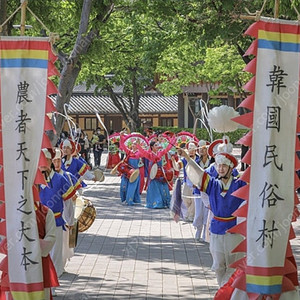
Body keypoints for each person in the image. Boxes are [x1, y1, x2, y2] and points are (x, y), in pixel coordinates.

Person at [178, 143, 246, 287]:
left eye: (224, 166)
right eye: (218, 166)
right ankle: (222, 290)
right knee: (219, 265)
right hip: (216, 229)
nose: (220, 169)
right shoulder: (213, 184)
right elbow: (200, 174)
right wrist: (188, 159)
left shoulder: (239, 185)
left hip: (234, 229)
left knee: (233, 265)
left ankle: (228, 292)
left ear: (230, 168)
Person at [39, 148, 76, 279]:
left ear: (50, 162)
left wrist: (71, 221)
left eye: (46, 160)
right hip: (37, 223)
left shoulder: (60, 180)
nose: (43, 163)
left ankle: (53, 282)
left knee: (55, 252)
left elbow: (68, 203)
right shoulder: (33, 180)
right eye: (41, 160)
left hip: (56, 220)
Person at [137, 138, 175, 209]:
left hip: (161, 175)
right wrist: (138, 145)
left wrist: (173, 141)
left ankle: (165, 203)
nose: (157, 146)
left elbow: (167, 149)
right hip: (153, 176)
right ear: (152, 147)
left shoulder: (160, 153)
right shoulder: (149, 155)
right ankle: (156, 203)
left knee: (164, 188)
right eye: (155, 145)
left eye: (157, 145)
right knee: (154, 189)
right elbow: (142, 151)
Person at [118, 137, 145, 205]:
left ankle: (130, 200)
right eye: (133, 144)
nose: (133, 145)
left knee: (132, 187)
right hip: (127, 171)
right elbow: (123, 145)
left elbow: (145, 153)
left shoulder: (140, 153)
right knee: (123, 186)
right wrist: (121, 137)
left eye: (135, 144)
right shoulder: (129, 152)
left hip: (135, 172)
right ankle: (124, 198)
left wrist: (140, 146)